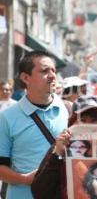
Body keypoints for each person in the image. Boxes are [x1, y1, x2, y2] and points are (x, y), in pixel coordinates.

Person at [0, 51, 69, 199]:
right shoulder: (7, 117)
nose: (52, 75)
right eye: (44, 71)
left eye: (53, 70)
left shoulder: (67, 109)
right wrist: (25, 179)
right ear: (25, 78)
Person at [31, 95, 97, 199]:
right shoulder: (59, 148)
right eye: (83, 120)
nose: (88, 126)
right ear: (72, 123)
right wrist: (57, 154)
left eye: (95, 121)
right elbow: (39, 193)